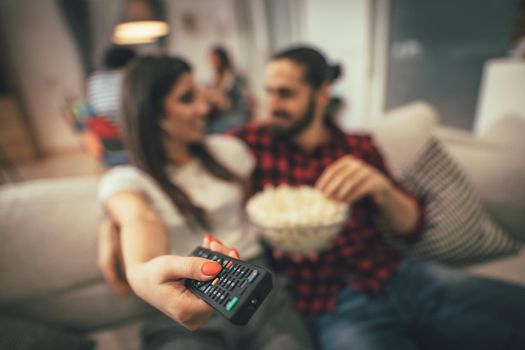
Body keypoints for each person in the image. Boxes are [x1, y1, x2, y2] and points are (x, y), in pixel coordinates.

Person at [99, 46, 525, 350]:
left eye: (286, 94)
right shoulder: (250, 146)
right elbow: (156, 193)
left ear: (322, 94)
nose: (271, 105)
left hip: (400, 275)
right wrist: (113, 221)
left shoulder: (359, 146)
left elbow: (411, 226)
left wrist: (379, 185)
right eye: (268, 91)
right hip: (329, 303)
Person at [97, 55, 316, 350]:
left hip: (257, 287)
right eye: (187, 99)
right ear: (153, 114)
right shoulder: (125, 180)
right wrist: (140, 272)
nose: (205, 107)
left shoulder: (230, 152)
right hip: (185, 296)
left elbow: (258, 210)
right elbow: (139, 218)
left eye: (200, 93)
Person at [86, 45, 136, 165]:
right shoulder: (128, 78)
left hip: (108, 145)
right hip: (130, 143)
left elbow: (94, 107)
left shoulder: (94, 79)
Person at [204, 46, 253, 134]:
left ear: (222, 60)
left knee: (211, 129)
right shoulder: (213, 80)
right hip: (222, 116)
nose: (212, 63)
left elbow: (242, 102)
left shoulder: (235, 77)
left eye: (215, 60)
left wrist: (223, 102)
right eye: (211, 60)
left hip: (236, 114)